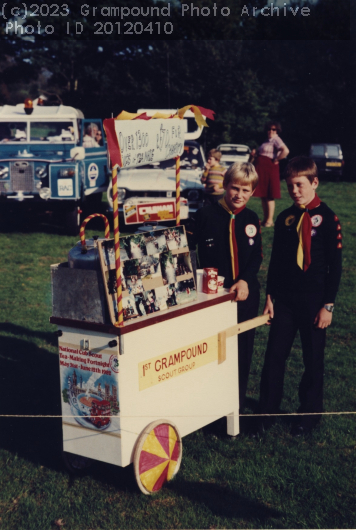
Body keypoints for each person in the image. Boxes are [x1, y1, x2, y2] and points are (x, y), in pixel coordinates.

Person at [258, 156, 342, 436]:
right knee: (274, 358)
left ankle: (308, 416)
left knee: (312, 359)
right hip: (284, 301)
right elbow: (277, 262)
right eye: (289, 185)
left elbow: (336, 266)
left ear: (314, 183)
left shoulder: (328, 218)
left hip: (314, 301)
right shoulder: (285, 218)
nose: (294, 190)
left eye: (299, 184)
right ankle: (266, 413)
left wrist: (327, 305)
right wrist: (270, 296)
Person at [187, 162, 262, 414]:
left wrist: (245, 279)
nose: (239, 195)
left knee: (242, 350)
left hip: (244, 295)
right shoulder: (205, 215)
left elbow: (257, 257)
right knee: (212, 350)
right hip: (213, 296)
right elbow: (185, 248)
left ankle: (236, 405)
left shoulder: (251, 219)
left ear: (252, 192)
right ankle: (212, 403)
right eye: (234, 188)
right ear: (225, 185)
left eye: (245, 190)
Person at [252, 121, 289, 227]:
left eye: (274, 129)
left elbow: (285, 151)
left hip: (269, 169)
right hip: (262, 169)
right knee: (263, 195)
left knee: (269, 195)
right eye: (269, 129)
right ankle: (265, 219)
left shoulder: (276, 139)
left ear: (277, 131)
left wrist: (277, 159)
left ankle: (269, 220)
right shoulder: (266, 141)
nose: (271, 131)